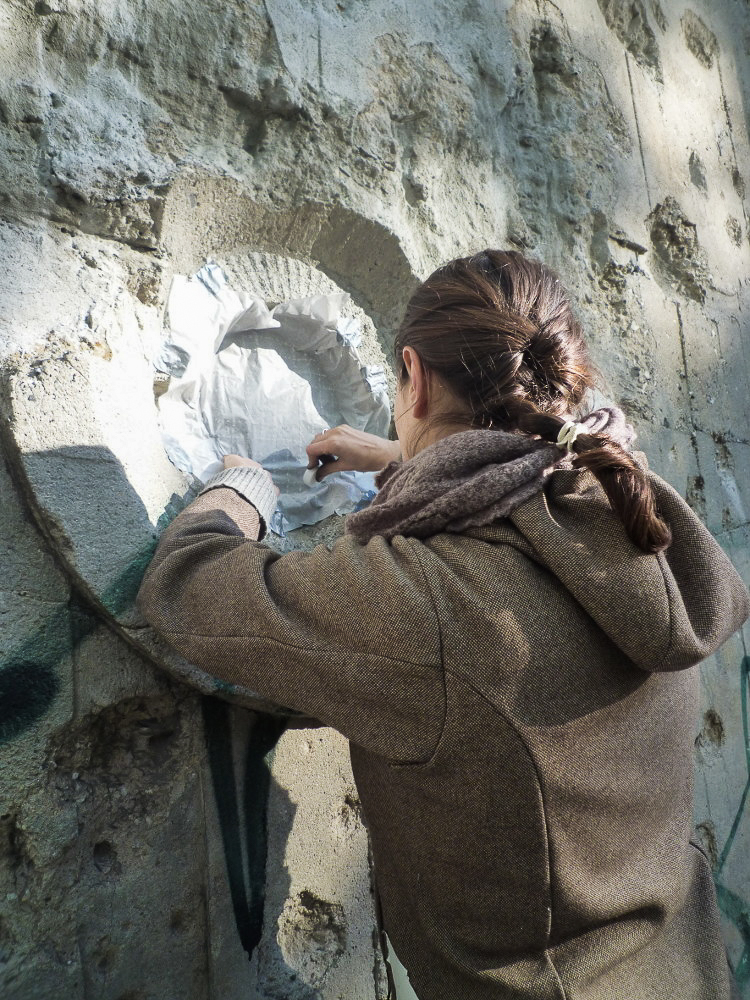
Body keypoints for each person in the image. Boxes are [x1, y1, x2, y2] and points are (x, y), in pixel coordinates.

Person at [137, 249, 749, 1000]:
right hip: (684, 969)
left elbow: (191, 588)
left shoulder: (429, 602)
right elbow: (519, 474)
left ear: (414, 376)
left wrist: (243, 487)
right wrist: (404, 456)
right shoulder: (620, 511)